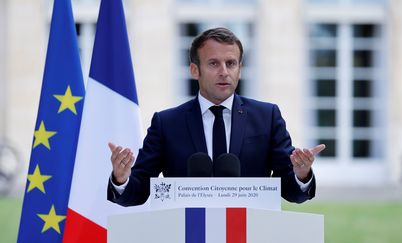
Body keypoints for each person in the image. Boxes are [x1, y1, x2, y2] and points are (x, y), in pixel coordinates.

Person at [107, 27, 325, 206]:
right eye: (213, 63)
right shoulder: (167, 123)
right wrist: (122, 178)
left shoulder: (267, 117)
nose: (224, 72)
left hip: (249, 233)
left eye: (231, 63)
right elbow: (139, 189)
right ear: (195, 70)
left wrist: (302, 174)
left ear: (239, 69)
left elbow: (292, 191)